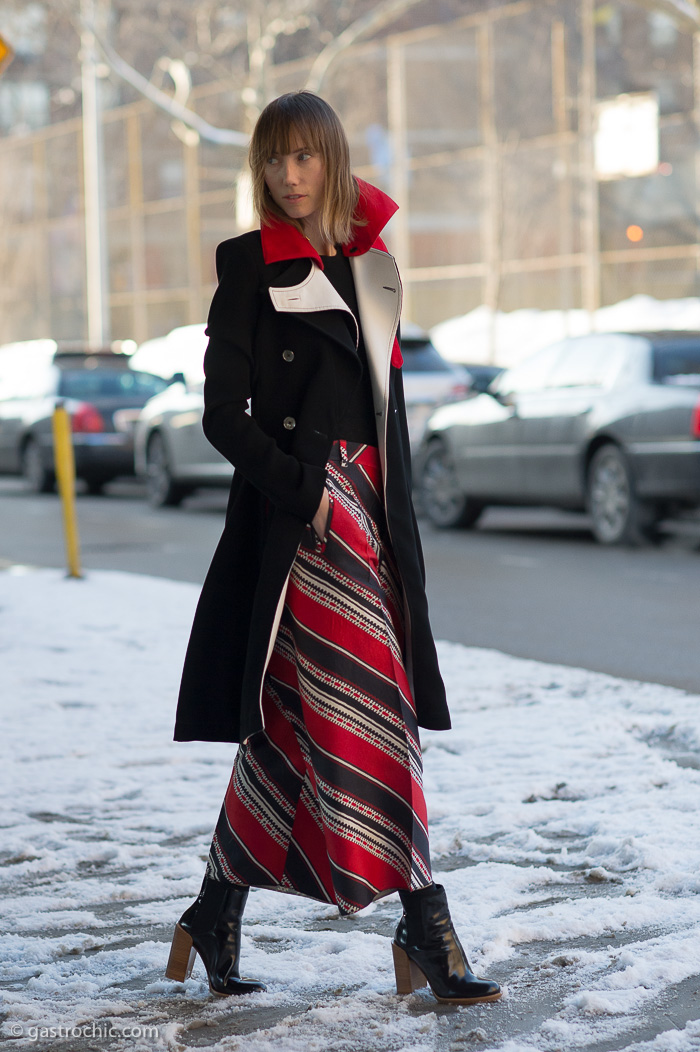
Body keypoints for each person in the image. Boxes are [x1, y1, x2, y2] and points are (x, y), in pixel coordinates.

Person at [164, 90, 500, 1006]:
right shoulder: (247, 267)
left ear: (334, 160)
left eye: (306, 158)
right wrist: (306, 490)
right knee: (374, 711)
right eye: (274, 160)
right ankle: (429, 929)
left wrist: (379, 513)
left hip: (373, 513)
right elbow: (220, 419)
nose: (289, 176)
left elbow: (383, 416)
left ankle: (214, 909)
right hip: (303, 518)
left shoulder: (374, 264)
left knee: (284, 730)